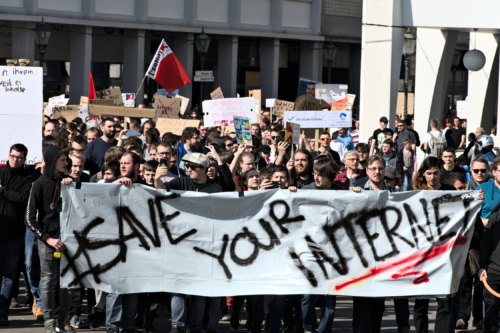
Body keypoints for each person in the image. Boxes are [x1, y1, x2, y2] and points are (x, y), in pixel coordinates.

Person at [25, 145, 78, 333]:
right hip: (48, 242)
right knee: (49, 280)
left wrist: (71, 185)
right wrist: (47, 239)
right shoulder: (39, 184)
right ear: (53, 161)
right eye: (63, 160)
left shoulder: (69, 182)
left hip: (68, 242)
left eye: (67, 160)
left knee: (66, 282)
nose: (67, 163)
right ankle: (49, 321)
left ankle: (62, 320)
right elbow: (30, 219)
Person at [411, 156, 456, 333]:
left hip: (444, 254)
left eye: (436, 173)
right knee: (421, 303)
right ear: (423, 173)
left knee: (444, 301)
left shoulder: (450, 191)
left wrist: (476, 196)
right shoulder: (416, 194)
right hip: (423, 254)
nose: (432, 177)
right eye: (429, 173)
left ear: (441, 172)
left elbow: (464, 202)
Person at [0, 144, 34, 325]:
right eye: (13, 156)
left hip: (15, 234)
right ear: (8, 155)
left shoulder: (28, 178)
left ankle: (2, 313)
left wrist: (2, 191)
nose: (15, 160)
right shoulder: (2, 172)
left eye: (19, 157)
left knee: (10, 274)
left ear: (24, 159)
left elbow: (22, 198)